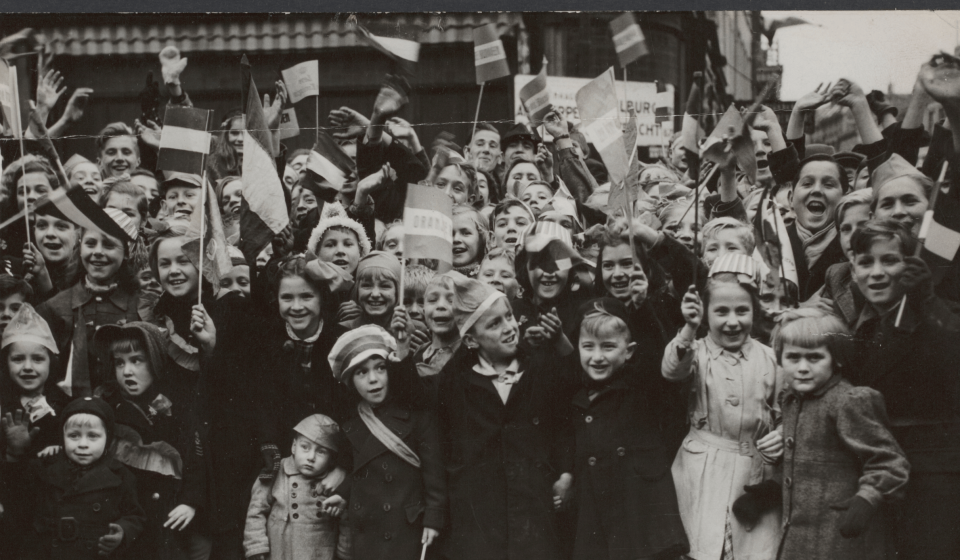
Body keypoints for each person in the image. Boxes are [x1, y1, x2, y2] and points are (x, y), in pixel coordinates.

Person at [437, 278, 576, 560]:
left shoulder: (540, 369)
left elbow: (564, 426)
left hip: (534, 516)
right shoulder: (455, 383)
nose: (509, 327)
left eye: (509, 316)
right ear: (471, 341)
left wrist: (566, 473)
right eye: (494, 324)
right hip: (480, 524)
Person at [846, 220, 960, 560]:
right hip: (876, 483)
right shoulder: (863, 331)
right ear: (853, 270)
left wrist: (926, 301)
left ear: (911, 264)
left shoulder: (941, 315)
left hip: (931, 484)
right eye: (866, 262)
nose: (876, 273)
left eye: (890, 260)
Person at [661, 255, 784, 560]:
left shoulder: (770, 358)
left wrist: (782, 433)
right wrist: (689, 329)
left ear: (755, 311)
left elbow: (787, 409)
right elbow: (672, 369)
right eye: (721, 311)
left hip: (754, 475)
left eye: (742, 310)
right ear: (705, 313)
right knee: (701, 545)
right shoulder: (696, 351)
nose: (732, 321)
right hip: (701, 471)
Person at [770, 308, 909, 560]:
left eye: (815, 358)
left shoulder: (847, 401)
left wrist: (867, 498)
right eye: (793, 357)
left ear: (837, 360)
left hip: (841, 537)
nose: (803, 368)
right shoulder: (791, 400)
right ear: (780, 359)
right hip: (800, 539)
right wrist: (771, 488)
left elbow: (890, 462)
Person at [566, 298, 689, 560]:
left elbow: (658, 351)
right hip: (596, 510)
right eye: (588, 346)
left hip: (640, 507)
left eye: (608, 346)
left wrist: (643, 308)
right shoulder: (577, 395)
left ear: (629, 351)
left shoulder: (641, 385)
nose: (597, 357)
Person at [325, 324, 446, 560]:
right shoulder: (352, 423)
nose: (373, 379)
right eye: (361, 372)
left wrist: (434, 519)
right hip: (367, 526)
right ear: (350, 381)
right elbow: (361, 472)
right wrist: (343, 494)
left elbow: (435, 474)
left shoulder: (417, 416)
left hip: (407, 526)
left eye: (380, 368)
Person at [94, 321, 208, 560]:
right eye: (119, 363)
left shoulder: (178, 406)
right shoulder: (108, 408)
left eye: (137, 360)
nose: (127, 371)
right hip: (125, 520)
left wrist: (190, 502)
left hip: (168, 515)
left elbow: (194, 457)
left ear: (155, 361)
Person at [2, 396, 146, 559]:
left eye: (93, 436)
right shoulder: (45, 466)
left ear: (107, 438)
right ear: (62, 437)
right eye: (74, 435)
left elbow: (135, 515)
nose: (83, 444)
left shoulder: (120, 474)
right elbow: (15, 492)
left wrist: (123, 532)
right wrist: (15, 454)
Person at [37, 209, 141, 396]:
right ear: (80, 247)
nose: (98, 252)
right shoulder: (53, 308)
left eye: (109, 245)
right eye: (90, 243)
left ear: (126, 252)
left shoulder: (141, 305)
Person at [243, 414, 348, 560]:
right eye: (305, 447)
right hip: (279, 550)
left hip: (318, 553)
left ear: (331, 459)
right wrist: (256, 546)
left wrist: (344, 552)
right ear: (293, 446)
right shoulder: (277, 470)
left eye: (321, 452)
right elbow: (256, 509)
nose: (311, 457)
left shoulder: (334, 482)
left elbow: (346, 520)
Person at [452, 204, 488, 278]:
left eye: (466, 233)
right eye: (450, 234)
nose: (456, 239)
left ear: (481, 239)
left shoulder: (492, 277)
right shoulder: (430, 280)